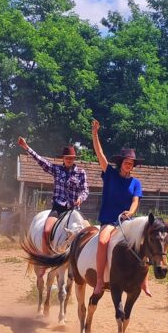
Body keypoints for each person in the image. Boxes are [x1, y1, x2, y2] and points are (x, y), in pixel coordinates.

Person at [90, 119, 150, 303]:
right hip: (110, 220)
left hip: (126, 220)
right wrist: (95, 134)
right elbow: (100, 154)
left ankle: (143, 280)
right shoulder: (109, 174)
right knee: (102, 241)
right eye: (127, 161)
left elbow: (135, 201)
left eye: (132, 163)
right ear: (121, 162)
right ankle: (100, 280)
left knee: (144, 240)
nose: (129, 164)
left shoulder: (136, 183)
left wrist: (131, 213)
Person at [17, 137, 88, 254]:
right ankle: (46, 259)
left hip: (74, 210)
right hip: (58, 208)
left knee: (89, 232)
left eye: (71, 158)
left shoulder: (81, 173)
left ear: (74, 159)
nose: (69, 160)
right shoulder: (56, 169)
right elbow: (41, 161)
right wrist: (26, 147)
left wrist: (80, 198)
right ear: (63, 159)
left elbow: (85, 190)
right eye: (67, 158)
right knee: (46, 231)